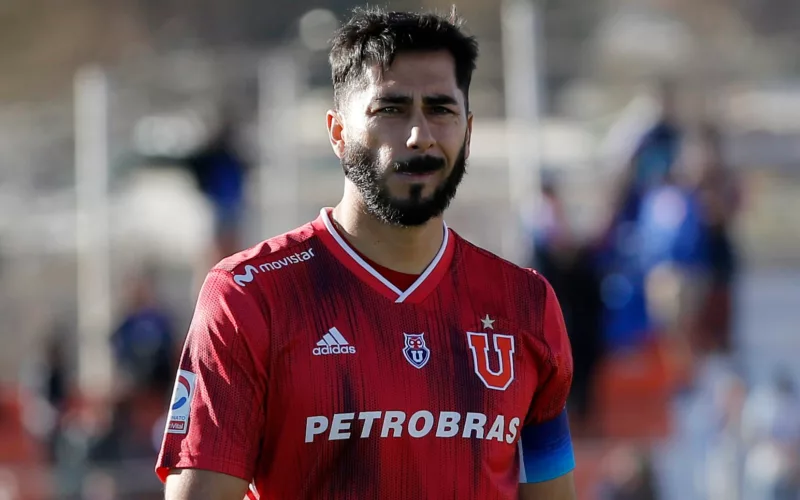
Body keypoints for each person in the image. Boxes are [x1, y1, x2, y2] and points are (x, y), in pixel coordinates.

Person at [156, 7, 576, 500]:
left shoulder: (524, 304)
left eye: (441, 109)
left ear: (468, 131)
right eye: (391, 109)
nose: (419, 135)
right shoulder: (250, 296)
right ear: (337, 132)